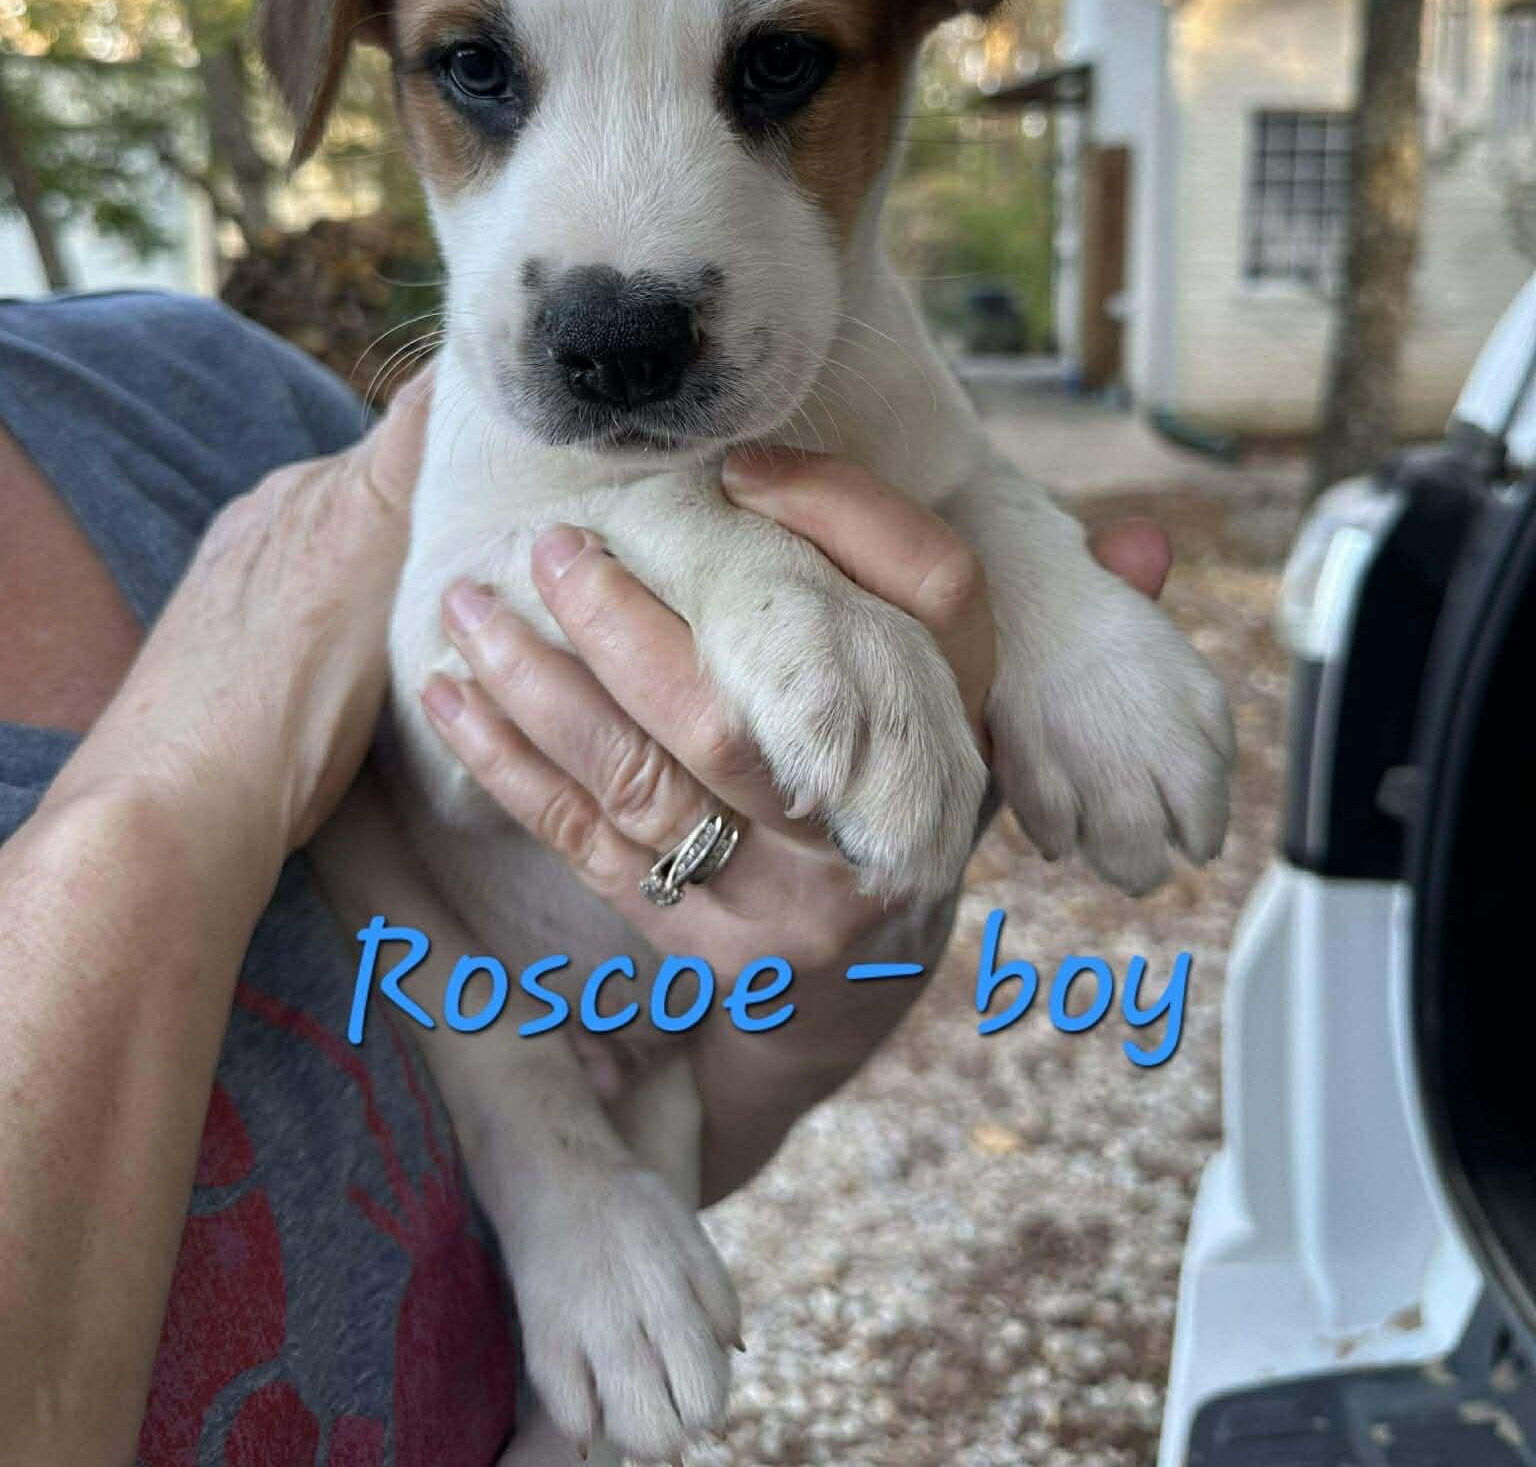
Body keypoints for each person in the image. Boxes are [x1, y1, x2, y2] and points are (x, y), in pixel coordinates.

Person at [0, 289, 1171, 1467]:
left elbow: (403, 778)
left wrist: (815, 993)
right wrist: (154, 817)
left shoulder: (181, 385)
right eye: (482, 85)